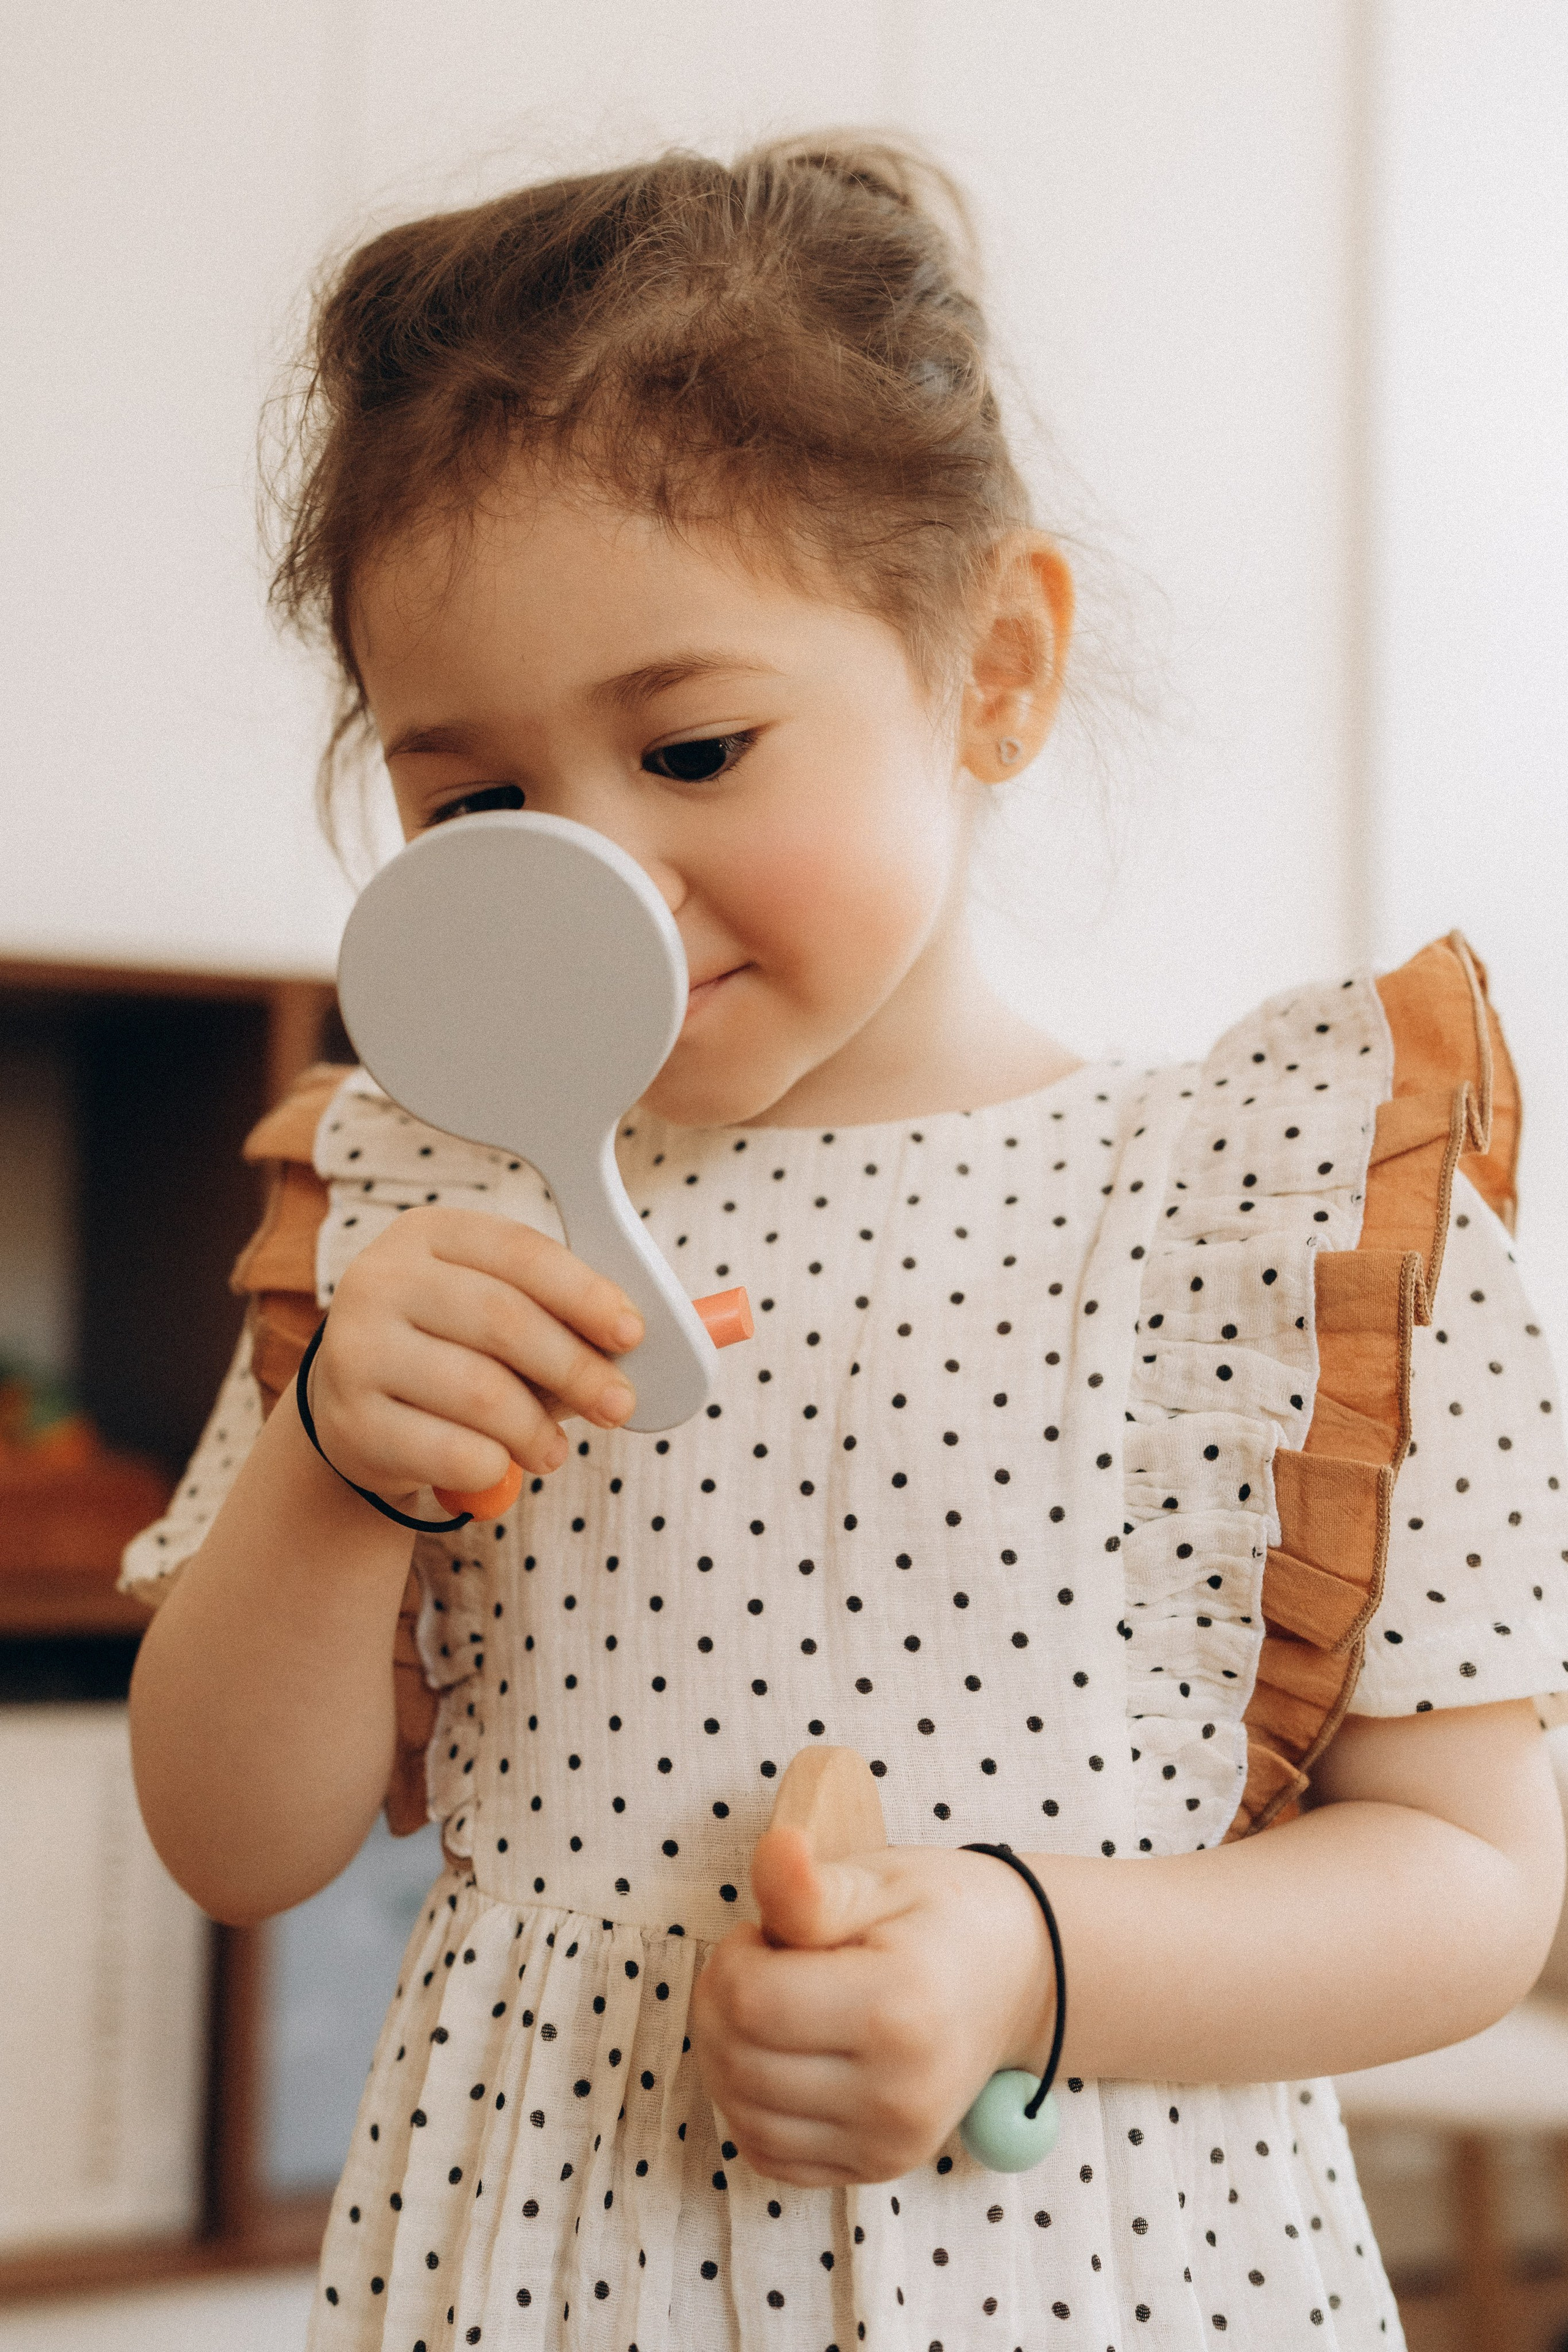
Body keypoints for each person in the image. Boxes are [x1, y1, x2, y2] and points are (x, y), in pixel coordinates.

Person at [123, 137, 1568, 2351]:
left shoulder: (1265, 1210)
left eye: (694, 747)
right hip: (545, 2266)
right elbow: (234, 1839)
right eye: (477, 808)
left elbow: (1469, 1883)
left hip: (1103, 2270)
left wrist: (1027, 1955)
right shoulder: (416, 1197)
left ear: (991, 667)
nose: (598, 876)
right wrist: (329, 1475)